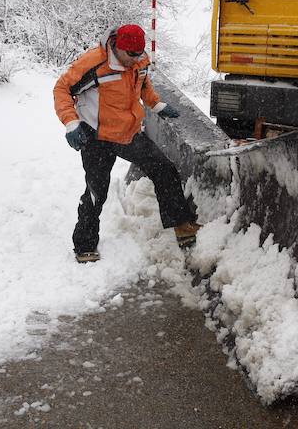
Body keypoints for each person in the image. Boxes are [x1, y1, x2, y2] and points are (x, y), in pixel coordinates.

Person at [53, 24, 201, 263]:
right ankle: (84, 244)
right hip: (96, 136)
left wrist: (156, 105)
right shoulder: (95, 62)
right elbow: (62, 89)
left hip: (128, 132)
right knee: (96, 190)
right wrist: (71, 123)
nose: (135, 59)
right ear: (118, 47)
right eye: (131, 55)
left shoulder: (139, 60)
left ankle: (182, 226)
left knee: (164, 168)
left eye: (139, 54)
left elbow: (143, 85)